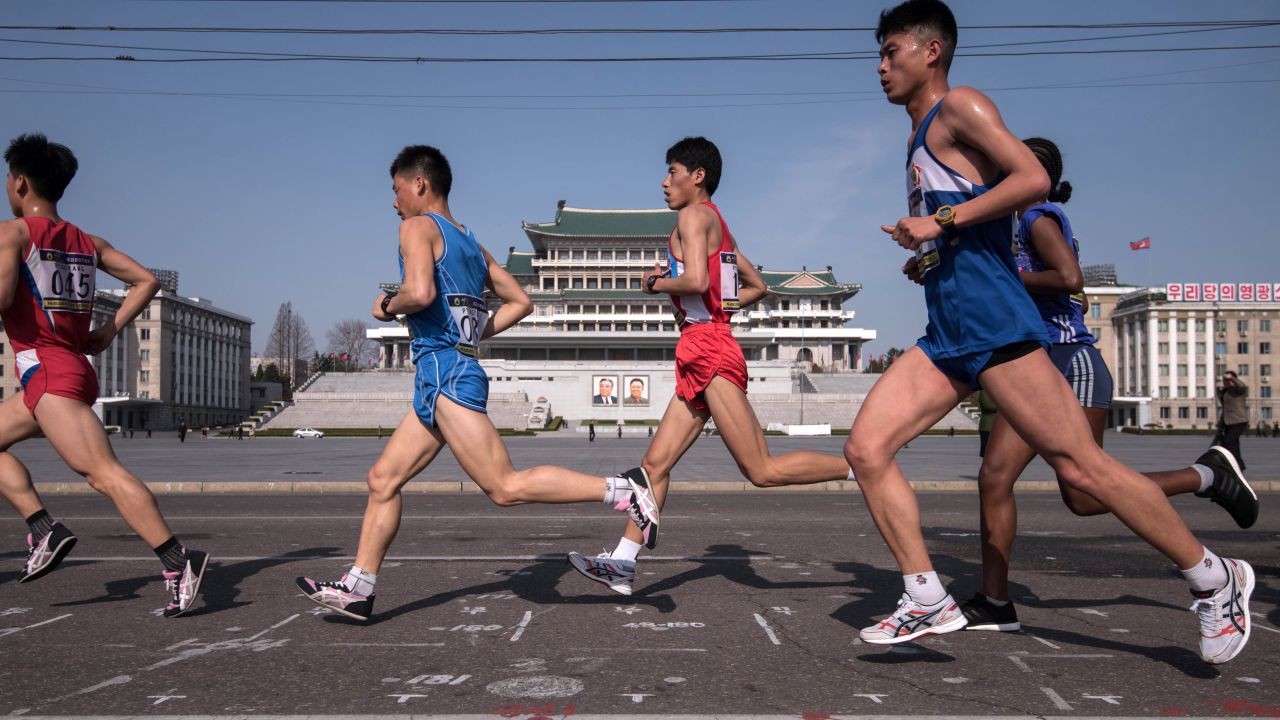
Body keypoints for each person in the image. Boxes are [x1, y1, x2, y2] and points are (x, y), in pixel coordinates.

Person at [846, 0, 1252, 664]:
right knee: (865, 450)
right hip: (948, 332)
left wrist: (940, 226)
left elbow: (1032, 179)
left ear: (931, 52)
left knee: (1083, 470)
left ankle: (1215, 578)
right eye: (881, 53)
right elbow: (971, 231)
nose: (881, 65)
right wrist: (929, 254)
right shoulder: (917, 135)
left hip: (996, 325)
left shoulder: (961, 107)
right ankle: (925, 595)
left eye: (891, 50)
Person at [295, 145, 660, 622]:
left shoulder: (416, 228)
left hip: (445, 371)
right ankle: (358, 588)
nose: (393, 201)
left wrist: (385, 304)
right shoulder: (469, 241)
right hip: (446, 372)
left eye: (396, 189)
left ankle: (624, 490)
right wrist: (471, 332)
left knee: (504, 487)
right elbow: (520, 301)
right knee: (383, 479)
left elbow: (420, 293)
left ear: (419, 184)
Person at [954, 136, 1257, 633]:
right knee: (1022, 484)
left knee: (1078, 491)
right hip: (1034, 362)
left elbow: (1070, 277)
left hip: (1071, 361)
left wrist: (1002, 277)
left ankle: (1206, 481)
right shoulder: (1012, 224)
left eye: (1001, 167)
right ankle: (996, 602)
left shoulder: (1037, 216)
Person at [566, 137, 853, 597]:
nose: (664, 182)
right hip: (704, 343)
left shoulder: (694, 215)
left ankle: (857, 466)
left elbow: (697, 280)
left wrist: (659, 284)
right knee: (653, 464)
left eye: (672, 171)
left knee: (760, 470)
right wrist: (718, 311)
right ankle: (621, 563)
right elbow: (754, 286)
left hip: (710, 350)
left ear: (697, 176)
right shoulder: (720, 226)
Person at [0, 133, 209, 617]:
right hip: (68, 369)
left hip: (50, 373)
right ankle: (42, 528)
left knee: (104, 474)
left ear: (20, 183)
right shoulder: (87, 242)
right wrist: (109, 330)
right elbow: (147, 280)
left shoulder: (12, 235)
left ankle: (179, 561)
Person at [977, 390, 997, 456]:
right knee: (987, 453)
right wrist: (1004, 406)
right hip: (987, 427)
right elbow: (988, 405)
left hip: (998, 427)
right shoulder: (984, 390)